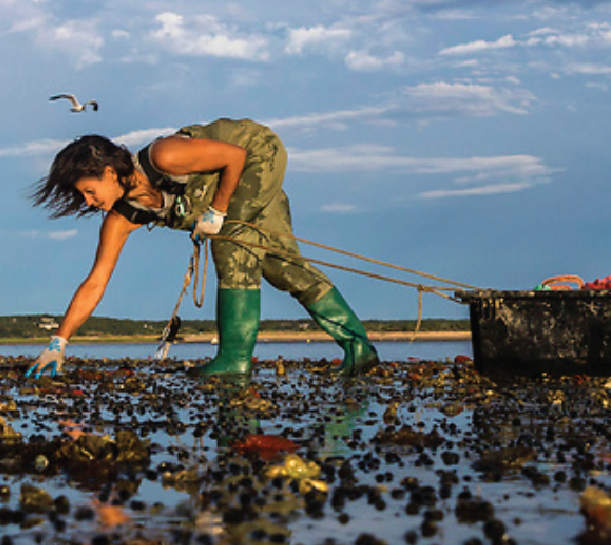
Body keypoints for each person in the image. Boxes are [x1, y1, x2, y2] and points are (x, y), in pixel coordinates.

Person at [25, 119, 378, 380]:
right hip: (238, 193)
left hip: (258, 156)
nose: (89, 202)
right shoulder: (122, 218)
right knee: (283, 268)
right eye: (82, 196)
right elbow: (95, 282)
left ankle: (233, 360)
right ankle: (358, 348)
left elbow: (236, 157)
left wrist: (219, 210)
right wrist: (59, 342)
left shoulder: (163, 156)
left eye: (89, 190)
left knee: (230, 244)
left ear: (108, 171)